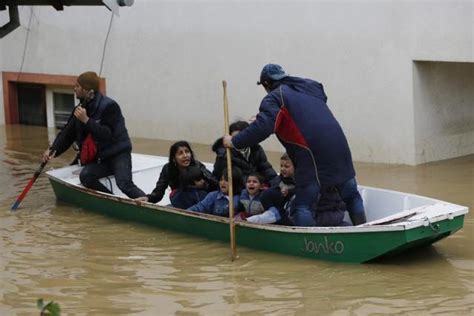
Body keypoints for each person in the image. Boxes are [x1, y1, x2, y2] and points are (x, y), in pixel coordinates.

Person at [223, 63, 366, 226]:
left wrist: (234, 141)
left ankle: (311, 246)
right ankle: (364, 229)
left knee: (302, 206)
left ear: (266, 84)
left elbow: (264, 127)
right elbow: (296, 113)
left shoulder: (274, 97)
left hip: (311, 155)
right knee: (351, 196)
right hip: (340, 148)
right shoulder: (310, 88)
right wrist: (264, 117)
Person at [42, 71, 146, 199]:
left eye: (77, 86)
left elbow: (106, 134)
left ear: (88, 91)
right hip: (101, 159)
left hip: (118, 154)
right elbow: (67, 134)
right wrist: (53, 150)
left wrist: (86, 120)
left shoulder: (110, 107)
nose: (74, 89)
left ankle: (147, 202)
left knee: (124, 184)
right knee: (86, 176)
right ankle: (111, 202)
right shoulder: (80, 109)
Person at [137, 141, 217, 208]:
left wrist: (204, 186)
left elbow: (214, 183)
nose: (185, 156)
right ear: (173, 158)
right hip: (180, 201)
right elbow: (159, 192)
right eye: (180, 153)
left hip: (201, 202)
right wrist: (148, 198)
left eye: (187, 152)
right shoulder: (168, 169)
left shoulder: (197, 165)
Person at [212, 120, 278, 187]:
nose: (237, 140)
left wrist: (278, 185)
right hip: (237, 192)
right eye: (234, 138)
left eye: (240, 137)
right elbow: (222, 178)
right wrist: (256, 184)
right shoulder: (225, 155)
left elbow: (267, 170)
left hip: (256, 188)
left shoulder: (256, 149)